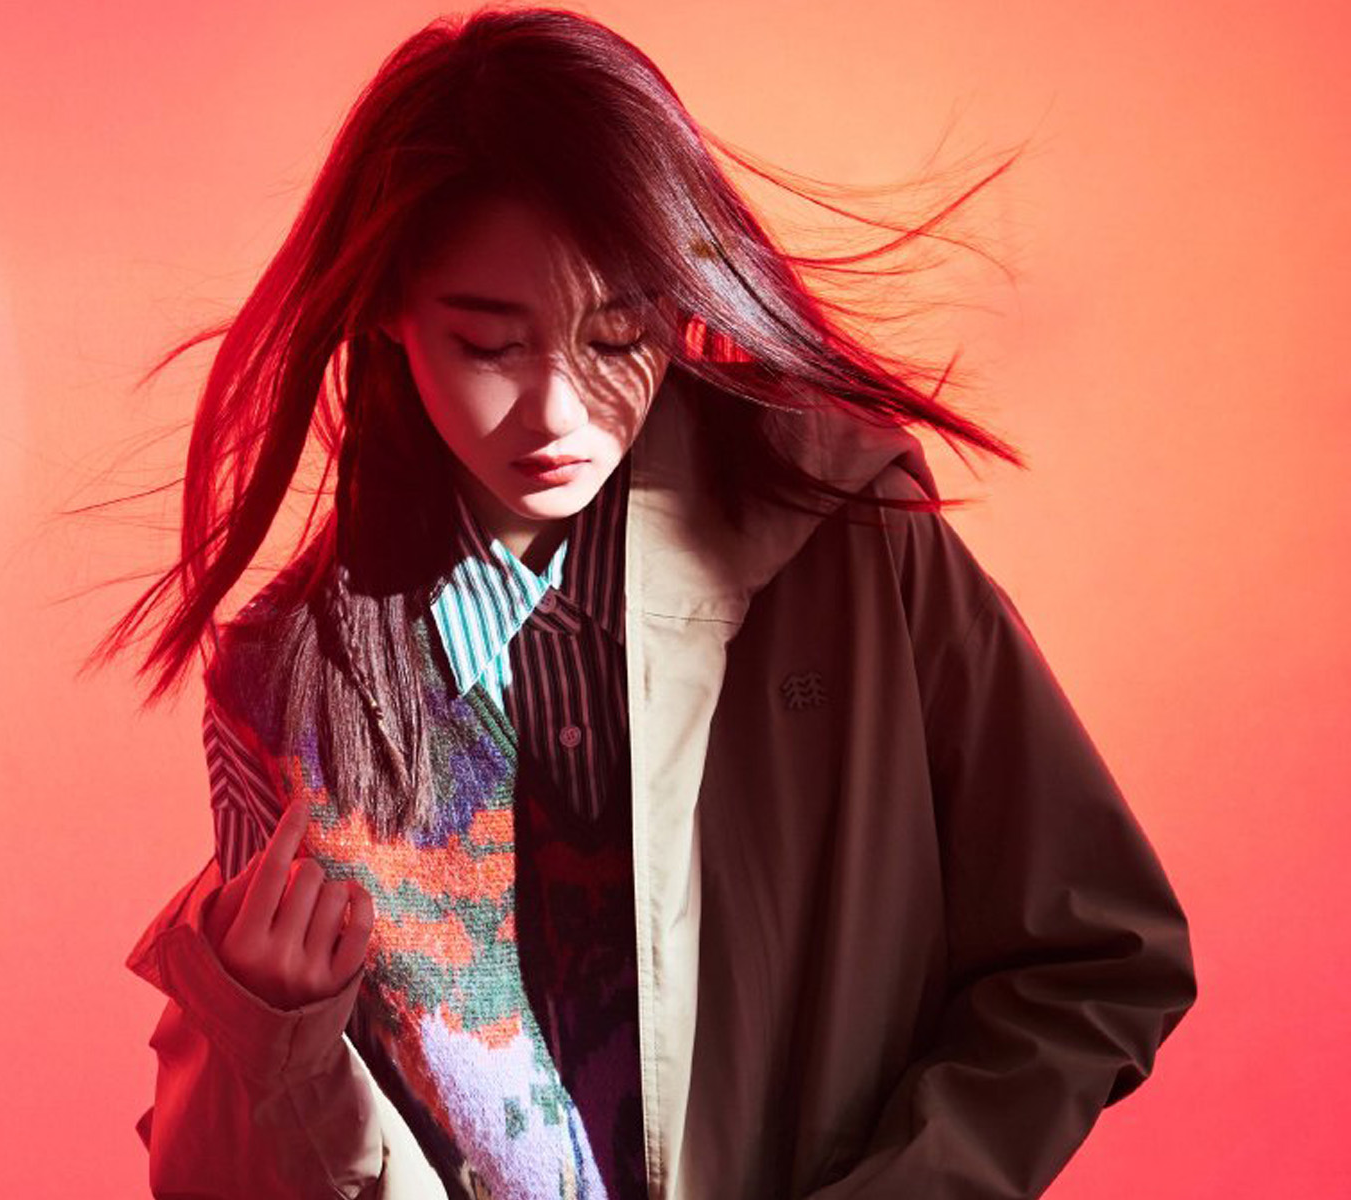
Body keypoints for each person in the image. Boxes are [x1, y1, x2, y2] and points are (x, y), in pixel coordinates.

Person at [98, 8, 1197, 1198]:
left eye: (617, 335)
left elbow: (1096, 956)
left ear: (679, 301)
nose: (558, 412)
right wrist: (269, 1036)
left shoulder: (852, 543)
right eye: (489, 346)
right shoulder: (290, 690)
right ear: (388, 312)